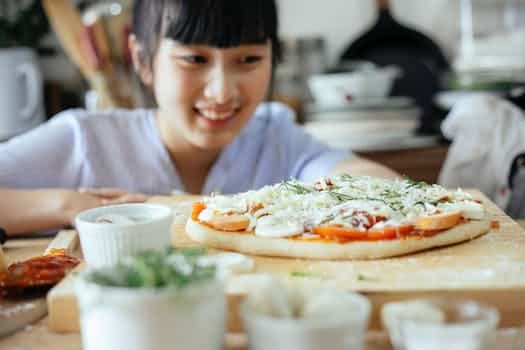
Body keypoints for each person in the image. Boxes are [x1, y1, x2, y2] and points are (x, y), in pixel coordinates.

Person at [0, 0, 398, 236]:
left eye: (248, 60)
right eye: (194, 59)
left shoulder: (275, 135)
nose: (222, 91)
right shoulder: (84, 139)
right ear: (142, 59)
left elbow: (382, 187)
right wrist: (70, 204)